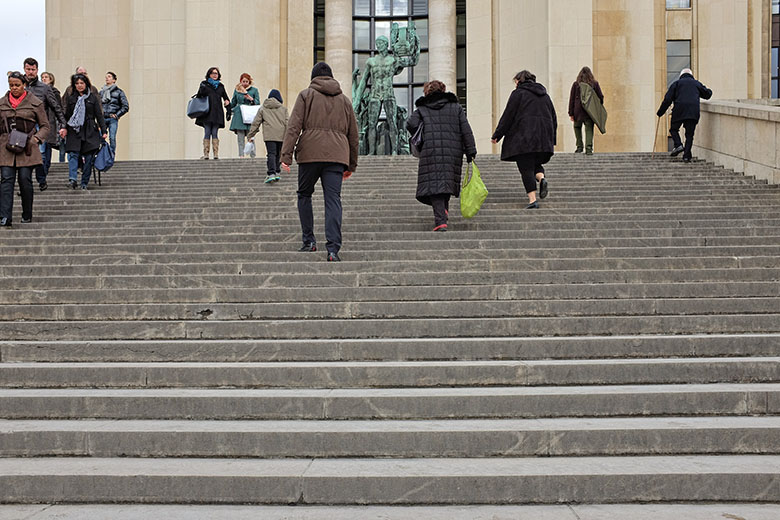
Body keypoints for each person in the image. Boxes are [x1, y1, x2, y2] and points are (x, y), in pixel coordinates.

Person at [281, 62, 359, 262]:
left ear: (313, 77)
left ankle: (309, 241)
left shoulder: (306, 95)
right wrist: (351, 164)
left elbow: (294, 126)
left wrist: (286, 156)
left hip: (309, 154)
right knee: (333, 200)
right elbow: (353, 135)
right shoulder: (344, 101)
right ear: (332, 77)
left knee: (304, 194)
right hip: (336, 156)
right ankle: (333, 249)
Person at [406, 80, 476, 232]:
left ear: (427, 92)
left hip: (431, 150)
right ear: (443, 90)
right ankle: (443, 212)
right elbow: (465, 128)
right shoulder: (455, 107)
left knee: (434, 185)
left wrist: (422, 133)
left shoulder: (422, 109)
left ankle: (440, 220)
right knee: (446, 181)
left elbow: (410, 124)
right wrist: (470, 150)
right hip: (453, 151)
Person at [491, 70, 557, 210]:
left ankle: (532, 200)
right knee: (536, 163)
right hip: (543, 139)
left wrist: (498, 134)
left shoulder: (518, 94)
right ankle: (541, 178)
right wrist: (552, 139)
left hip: (524, 138)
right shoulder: (545, 96)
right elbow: (553, 118)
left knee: (526, 167)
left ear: (519, 81)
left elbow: (508, 116)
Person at [353, 35, 418, 155]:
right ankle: (372, 151)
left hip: (388, 94)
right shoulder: (371, 61)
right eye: (377, 43)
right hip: (375, 94)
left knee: (392, 122)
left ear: (386, 44)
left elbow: (413, 61)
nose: (378, 46)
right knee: (372, 123)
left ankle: (394, 150)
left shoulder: (393, 60)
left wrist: (416, 45)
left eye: (381, 43)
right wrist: (357, 99)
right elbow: (363, 81)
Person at [0, 72, 50, 226]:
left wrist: (36, 139)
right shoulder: (1, 104)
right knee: (6, 180)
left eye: (17, 85)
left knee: (24, 180)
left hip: (27, 147)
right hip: (6, 147)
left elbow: (45, 126)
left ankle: (27, 213)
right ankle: (5, 216)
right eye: (11, 85)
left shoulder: (35, 102)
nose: (14, 88)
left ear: (24, 85)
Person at [23, 58, 66, 191]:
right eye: (28, 69)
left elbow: (56, 106)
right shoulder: (20, 85)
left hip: (39, 125)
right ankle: (25, 184)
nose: (30, 72)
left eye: (33, 69)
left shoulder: (45, 88)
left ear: (37, 70)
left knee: (41, 153)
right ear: (24, 69)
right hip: (23, 126)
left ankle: (41, 179)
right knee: (25, 154)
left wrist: (63, 124)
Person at [657, 68, 713, 163]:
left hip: (679, 110)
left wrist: (660, 112)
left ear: (681, 75)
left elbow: (667, 100)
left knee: (673, 129)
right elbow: (707, 94)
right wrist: (709, 91)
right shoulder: (696, 83)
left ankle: (678, 145)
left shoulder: (676, 84)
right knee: (689, 135)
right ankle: (686, 156)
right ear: (691, 75)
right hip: (693, 112)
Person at [61, 73, 107, 190]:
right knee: (72, 154)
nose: (79, 85)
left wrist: (104, 130)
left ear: (86, 84)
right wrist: (64, 127)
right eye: (77, 83)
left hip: (90, 129)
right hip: (74, 129)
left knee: (89, 158)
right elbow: (66, 115)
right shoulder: (71, 98)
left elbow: (99, 115)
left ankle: (84, 182)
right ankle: (72, 180)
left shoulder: (92, 98)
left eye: (82, 83)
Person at [247, 89, 288, 184]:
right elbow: (288, 123)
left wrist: (251, 134)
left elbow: (256, 122)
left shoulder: (263, 108)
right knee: (278, 153)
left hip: (269, 135)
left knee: (271, 153)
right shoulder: (283, 109)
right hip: (281, 135)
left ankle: (271, 173)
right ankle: (277, 171)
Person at [195, 67, 230, 160]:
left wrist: (228, 106)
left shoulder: (221, 86)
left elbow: (226, 98)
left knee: (215, 132)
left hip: (217, 112)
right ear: (209, 74)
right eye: (213, 73)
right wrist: (202, 88)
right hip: (207, 112)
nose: (215, 75)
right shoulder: (205, 84)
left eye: (216, 73)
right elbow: (199, 96)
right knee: (207, 131)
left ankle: (215, 154)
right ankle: (206, 154)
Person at [568, 66, 604, 155]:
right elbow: (601, 97)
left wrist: (571, 113)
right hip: (589, 111)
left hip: (577, 111)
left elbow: (571, 99)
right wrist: (597, 108)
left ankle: (579, 147)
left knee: (577, 128)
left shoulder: (576, 84)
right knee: (589, 129)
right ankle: (588, 148)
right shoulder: (594, 84)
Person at [228, 73, 260, 158]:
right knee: (240, 137)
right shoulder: (237, 90)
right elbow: (233, 102)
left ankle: (253, 155)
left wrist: (251, 99)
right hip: (239, 115)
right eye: (243, 81)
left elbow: (258, 103)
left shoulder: (254, 90)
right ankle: (241, 155)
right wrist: (227, 106)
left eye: (247, 81)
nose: (245, 83)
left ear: (249, 82)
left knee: (251, 137)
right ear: (240, 81)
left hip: (249, 114)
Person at [100, 71, 129, 155]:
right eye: (106, 77)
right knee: (100, 137)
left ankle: (111, 155)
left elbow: (125, 106)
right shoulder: (101, 92)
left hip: (112, 118)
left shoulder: (119, 92)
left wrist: (117, 115)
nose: (107, 78)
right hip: (102, 118)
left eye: (109, 76)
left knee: (112, 137)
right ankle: (101, 155)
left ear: (114, 80)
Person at [40, 72, 66, 163]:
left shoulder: (55, 92)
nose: (43, 79)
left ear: (51, 79)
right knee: (43, 146)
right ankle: (44, 166)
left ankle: (47, 165)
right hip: (41, 121)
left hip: (52, 121)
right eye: (42, 77)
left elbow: (58, 108)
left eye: (46, 77)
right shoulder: (39, 92)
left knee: (48, 145)